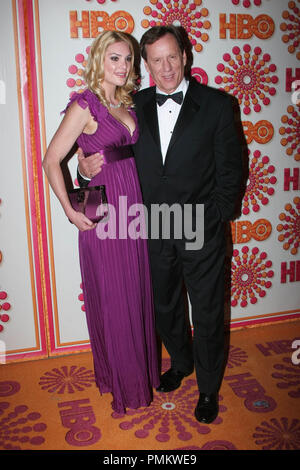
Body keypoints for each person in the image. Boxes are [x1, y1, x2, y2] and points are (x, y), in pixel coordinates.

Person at [77, 25, 243, 424]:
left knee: (205, 312)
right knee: (165, 306)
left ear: (185, 56)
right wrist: (83, 170)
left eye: (172, 57)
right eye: (156, 60)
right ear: (146, 65)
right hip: (149, 226)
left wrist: (216, 214)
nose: (166, 67)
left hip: (200, 226)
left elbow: (233, 169)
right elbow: (111, 153)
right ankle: (181, 364)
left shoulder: (219, 105)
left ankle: (207, 388)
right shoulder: (135, 104)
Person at [42, 30, 160, 415]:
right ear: (98, 60)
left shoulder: (127, 103)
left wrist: (84, 163)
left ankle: (138, 374)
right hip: (105, 210)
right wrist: (69, 210)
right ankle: (123, 384)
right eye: (114, 58)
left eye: (127, 59)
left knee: (134, 291)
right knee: (115, 296)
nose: (122, 66)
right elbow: (49, 160)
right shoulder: (85, 104)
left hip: (132, 206)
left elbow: (116, 154)